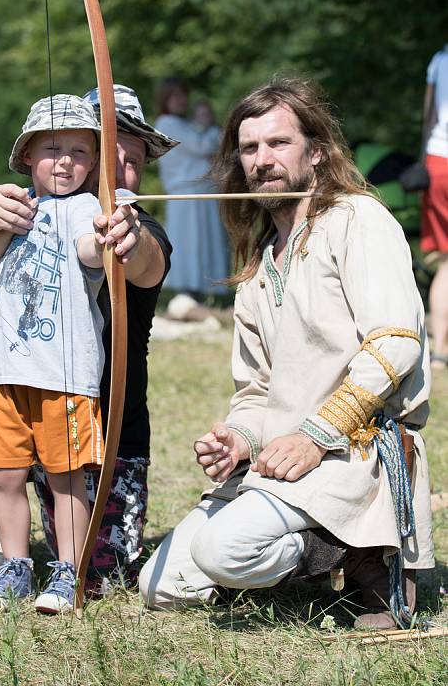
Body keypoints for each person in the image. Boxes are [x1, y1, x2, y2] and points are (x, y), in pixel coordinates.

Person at [140, 78, 435, 631]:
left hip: (355, 451)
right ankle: (316, 555)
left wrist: (313, 436)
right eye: (249, 149)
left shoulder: (357, 219)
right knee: (163, 585)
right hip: (283, 463)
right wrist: (240, 439)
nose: (262, 160)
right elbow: (256, 390)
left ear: (317, 151)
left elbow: (395, 342)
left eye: (278, 143)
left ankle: (362, 551)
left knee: (221, 553)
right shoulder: (258, 265)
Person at [0, 84, 177, 600]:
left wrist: (121, 237)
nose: (120, 169)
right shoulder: (15, 209)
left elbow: (146, 265)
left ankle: (61, 558)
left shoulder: (132, 224)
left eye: (134, 160)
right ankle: (6, 547)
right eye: (108, 152)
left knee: (102, 577)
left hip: (100, 428)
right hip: (12, 393)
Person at [0, 93, 108, 612]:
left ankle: (68, 572)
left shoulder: (87, 208)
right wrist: (3, 222)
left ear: (93, 163)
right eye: (53, 149)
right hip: (7, 371)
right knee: (4, 475)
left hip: (64, 375)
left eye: (79, 150)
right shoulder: (12, 205)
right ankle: (15, 567)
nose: (66, 160)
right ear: (27, 156)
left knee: (65, 477)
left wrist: (107, 234)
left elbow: (89, 252)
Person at [156, 77, 229, 306]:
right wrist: (218, 131)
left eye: (183, 95)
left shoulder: (184, 124)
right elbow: (203, 146)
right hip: (184, 193)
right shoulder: (168, 123)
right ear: (165, 99)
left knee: (207, 242)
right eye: (175, 96)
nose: (181, 100)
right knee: (189, 242)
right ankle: (189, 289)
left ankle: (208, 289)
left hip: (202, 191)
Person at [421, 45, 448, 369]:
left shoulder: (439, 59)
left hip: (438, 160)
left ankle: (439, 351)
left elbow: (429, 120)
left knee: (445, 261)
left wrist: (421, 165)